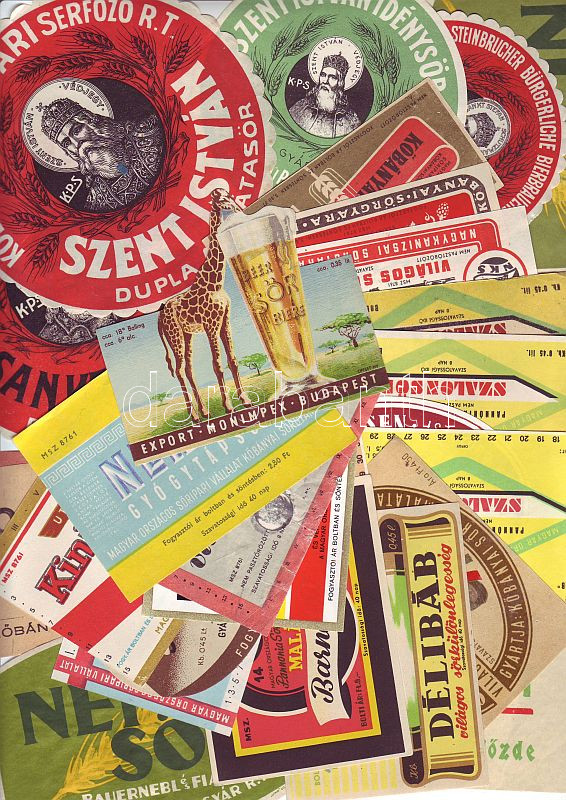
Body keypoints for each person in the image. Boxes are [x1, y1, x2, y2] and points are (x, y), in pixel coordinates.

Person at [40, 97, 164, 212]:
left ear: (91, 121)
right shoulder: (95, 201)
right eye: (67, 143)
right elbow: (122, 169)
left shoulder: (148, 133)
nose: (77, 143)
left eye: (77, 130)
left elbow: (123, 169)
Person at [289, 53, 360, 139]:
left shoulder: (351, 120)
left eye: (332, 77)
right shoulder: (300, 107)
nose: (325, 81)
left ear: (340, 83)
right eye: (323, 75)